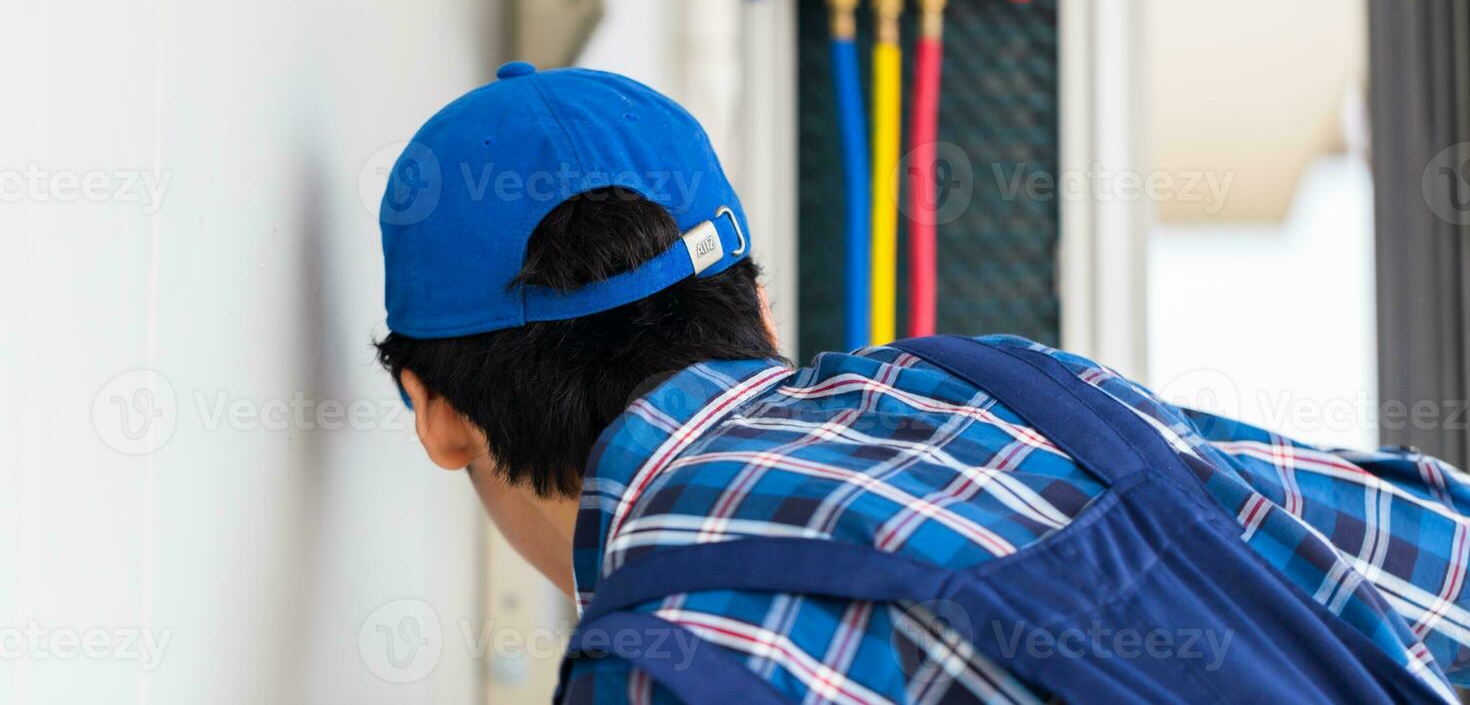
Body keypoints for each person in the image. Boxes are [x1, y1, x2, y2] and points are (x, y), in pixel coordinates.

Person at [374, 62, 1470, 703]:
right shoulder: (1017, 389)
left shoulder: (658, 667)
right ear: (760, 308)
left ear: (439, 417)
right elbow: (1438, 552)